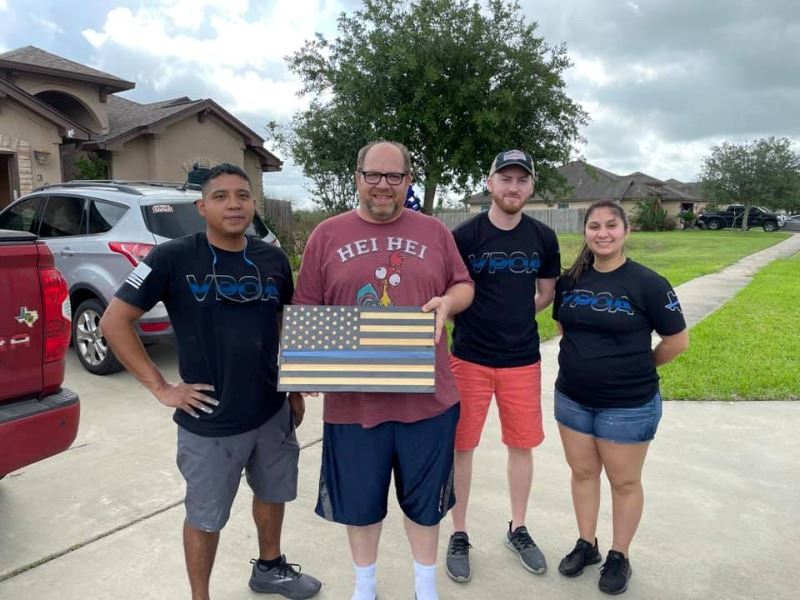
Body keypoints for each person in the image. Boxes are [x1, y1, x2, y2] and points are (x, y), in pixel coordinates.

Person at [99, 164, 321, 600]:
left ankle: (270, 568)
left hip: (270, 411)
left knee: (273, 493)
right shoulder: (172, 257)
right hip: (209, 420)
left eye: (243, 195)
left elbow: (285, 325)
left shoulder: (272, 259)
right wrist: (161, 388)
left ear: (253, 204)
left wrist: (295, 385)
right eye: (221, 196)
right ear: (202, 207)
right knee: (205, 516)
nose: (234, 204)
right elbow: (113, 321)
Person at [292, 140, 474, 600]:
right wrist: (306, 363)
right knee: (360, 503)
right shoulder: (327, 235)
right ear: (357, 177)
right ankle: (365, 586)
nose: (383, 185)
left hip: (428, 400)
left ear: (407, 181)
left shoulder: (434, 231)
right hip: (354, 404)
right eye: (373, 175)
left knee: (425, 504)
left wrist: (448, 302)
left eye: (394, 176)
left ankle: (425, 587)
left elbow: (463, 284)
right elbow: (306, 305)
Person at [551, 200, 689, 595]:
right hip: (572, 399)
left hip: (628, 406)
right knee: (582, 473)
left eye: (612, 225)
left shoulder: (650, 284)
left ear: (627, 230)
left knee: (624, 482)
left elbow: (677, 342)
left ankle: (619, 554)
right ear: (585, 232)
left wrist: (638, 366)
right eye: (594, 226)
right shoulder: (570, 281)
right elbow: (563, 326)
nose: (603, 233)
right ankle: (586, 543)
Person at [445, 149, 561, 583]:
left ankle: (519, 528)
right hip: (469, 358)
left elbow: (546, 293)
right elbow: (449, 295)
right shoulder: (464, 236)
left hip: (521, 360)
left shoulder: (543, 237)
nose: (514, 187)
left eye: (522, 180)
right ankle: (459, 533)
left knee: (521, 445)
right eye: (506, 178)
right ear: (489, 183)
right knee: (461, 447)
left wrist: (514, 317)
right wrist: (476, 322)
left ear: (531, 187)